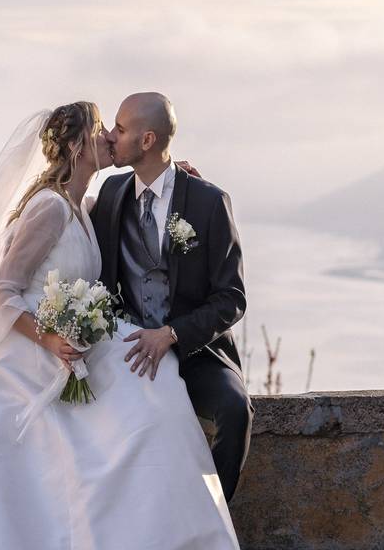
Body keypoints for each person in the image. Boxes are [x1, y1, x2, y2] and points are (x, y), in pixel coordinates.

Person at [0, 102, 240, 549]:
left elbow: (147, 202)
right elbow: (2, 291)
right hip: (35, 347)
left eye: (117, 130)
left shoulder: (87, 205)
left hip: (84, 340)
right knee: (139, 413)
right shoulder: (50, 209)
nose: (110, 139)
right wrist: (52, 337)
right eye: (103, 131)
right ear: (79, 146)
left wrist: (178, 179)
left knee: (159, 398)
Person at [91, 92, 253, 503]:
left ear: (147, 141)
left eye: (121, 128)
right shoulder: (111, 194)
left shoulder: (208, 201)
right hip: (129, 350)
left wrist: (172, 334)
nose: (110, 135)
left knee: (236, 413)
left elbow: (232, 297)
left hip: (196, 350)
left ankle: (211, 518)